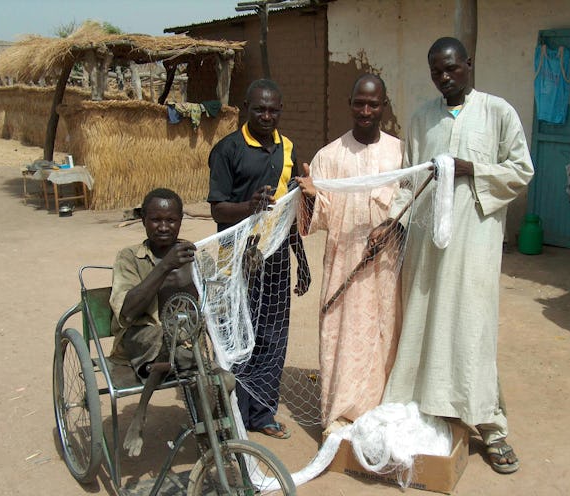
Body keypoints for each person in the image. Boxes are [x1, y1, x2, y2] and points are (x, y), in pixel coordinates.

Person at [381, 37, 534, 474]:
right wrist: (393, 220)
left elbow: (521, 170)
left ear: (469, 65)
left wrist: (474, 169)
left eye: (451, 68)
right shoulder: (421, 118)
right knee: (427, 326)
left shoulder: (498, 112)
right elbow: (409, 180)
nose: (444, 77)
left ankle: (491, 425)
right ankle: (427, 411)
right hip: (428, 245)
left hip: (476, 244)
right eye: (436, 71)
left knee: (472, 329)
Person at [296, 74, 404, 435]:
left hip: (389, 267)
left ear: (384, 107)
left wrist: (393, 226)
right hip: (344, 263)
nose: (366, 110)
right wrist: (310, 195)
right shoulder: (329, 156)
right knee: (344, 332)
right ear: (350, 104)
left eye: (373, 104)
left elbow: (413, 204)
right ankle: (341, 413)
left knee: (387, 331)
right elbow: (317, 220)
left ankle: (383, 411)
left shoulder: (401, 154)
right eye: (359, 102)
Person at [207, 78, 311, 439]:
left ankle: (263, 414)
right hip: (237, 258)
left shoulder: (289, 149)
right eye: (259, 108)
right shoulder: (228, 149)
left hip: (277, 258)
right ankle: (234, 413)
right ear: (246, 108)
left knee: (273, 336)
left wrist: (302, 260)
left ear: (281, 110)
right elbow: (218, 208)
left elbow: (290, 210)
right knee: (239, 335)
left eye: (273, 109)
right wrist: (248, 208)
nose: (266, 115)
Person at [109, 188, 197, 457]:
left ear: (180, 220)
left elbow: (212, 301)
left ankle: (213, 439)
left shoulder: (193, 255)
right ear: (144, 220)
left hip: (184, 340)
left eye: (170, 220)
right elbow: (127, 313)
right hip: (143, 338)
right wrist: (163, 267)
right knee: (165, 340)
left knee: (222, 379)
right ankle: (141, 413)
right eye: (155, 220)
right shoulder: (129, 258)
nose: (163, 227)